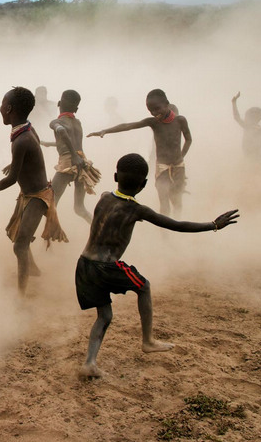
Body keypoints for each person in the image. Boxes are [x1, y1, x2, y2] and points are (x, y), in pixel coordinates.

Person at [76, 153, 239, 378]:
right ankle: (148, 341)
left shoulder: (103, 197)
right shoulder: (137, 210)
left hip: (84, 264)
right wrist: (212, 225)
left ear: (115, 176)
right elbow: (177, 225)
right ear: (144, 184)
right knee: (143, 286)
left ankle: (89, 363)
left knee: (104, 315)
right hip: (106, 267)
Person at [0, 87, 68, 294]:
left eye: (1, 104)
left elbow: (12, 180)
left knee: (20, 246)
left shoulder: (21, 139)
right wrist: (16, 163)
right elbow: (34, 151)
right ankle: (33, 270)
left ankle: (21, 295)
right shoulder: (27, 129)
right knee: (19, 236)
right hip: (31, 194)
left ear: (8, 108)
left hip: (38, 197)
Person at [88, 89, 191, 217]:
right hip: (162, 168)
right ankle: (165, 235)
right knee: (164, 204)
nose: (155, 113)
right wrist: (105, 131)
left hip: (178, 167)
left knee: (177, 202)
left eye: (157, 109)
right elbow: (128, 126)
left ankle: (178, 229)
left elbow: (188, 139)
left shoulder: (180, 120)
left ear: (167, 104)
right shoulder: (153, 122)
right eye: (151, 111)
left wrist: (182, 156)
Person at [47, 90, 100, 223]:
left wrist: (73, 156)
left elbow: (63, 132)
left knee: (50, 204)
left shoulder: (55, 122)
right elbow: (68, 141)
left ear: (59, 103)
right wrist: (47, 143)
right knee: (79, 208)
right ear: (76, 108)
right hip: (82, 164)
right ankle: (99, 230)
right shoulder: (78, 123)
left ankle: (49, 240)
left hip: (68, 164)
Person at [231, 92, 261, 173]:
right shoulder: (247, 126)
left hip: (257, 158)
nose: (254, 116)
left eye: (256, 114)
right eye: (252, 114)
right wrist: (234, 103)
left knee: (256, 177)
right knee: (249, 176)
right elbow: (236, 117)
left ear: (260, 117)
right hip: (248, 157)